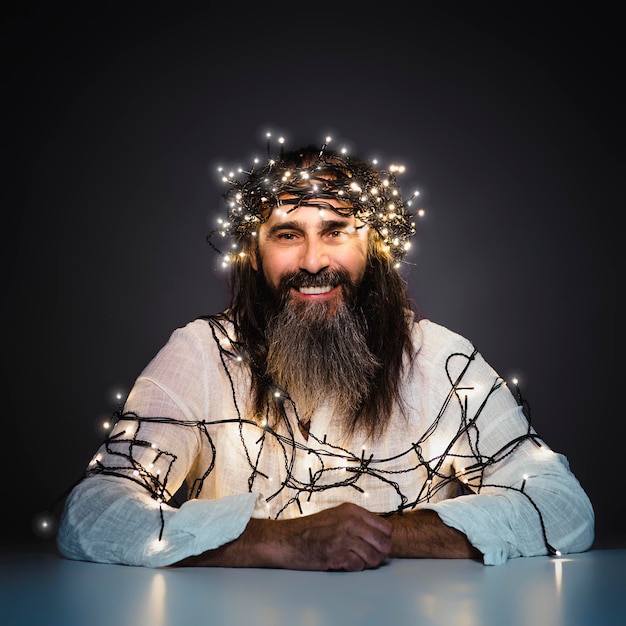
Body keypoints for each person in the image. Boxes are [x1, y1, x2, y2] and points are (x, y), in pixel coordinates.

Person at [56, 136, 594, 571]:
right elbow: (93, 513)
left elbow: (564, 509)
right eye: (287, 234)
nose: (314, 260)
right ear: (253, 254)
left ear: (373, 247)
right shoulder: (201, 354)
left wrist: (379, 533)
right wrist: (279, 542)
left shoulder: (441, 360)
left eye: (336, 231)